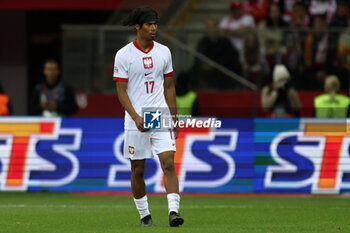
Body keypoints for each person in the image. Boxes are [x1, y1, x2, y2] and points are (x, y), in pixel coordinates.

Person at [114, 6, 184, 227]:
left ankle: (174, 213)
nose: (154, 28)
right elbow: (121, 91)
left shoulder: (164, 52)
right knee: (138, 169)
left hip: (158, 114)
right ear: (138, 27)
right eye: (149, 25)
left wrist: (173, 116)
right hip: (135, 118)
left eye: (155, 24)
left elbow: (169, 86)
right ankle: (145, 216)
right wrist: (135, 117)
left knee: (168, 164)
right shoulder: (124, 54)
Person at [193, 18, 241, 89]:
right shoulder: (203, 42)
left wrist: (215, 65)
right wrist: (204, 64)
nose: (212, 29)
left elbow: (231, 57)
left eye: (213, 26)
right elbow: (198, 56)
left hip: (223, 71)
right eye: (209, 27)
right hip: (207, 72)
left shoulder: (225, 41)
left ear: (217, 27)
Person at [258, 3, 288, 70]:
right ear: (268, 13)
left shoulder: (284, 26)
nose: (275, 14)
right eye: (272, 11)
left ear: (280, 12)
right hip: (266, 52)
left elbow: (283, 42)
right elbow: (261, 42)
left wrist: (272, 41)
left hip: (279, 53)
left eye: (276, 11)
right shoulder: (263, 25)